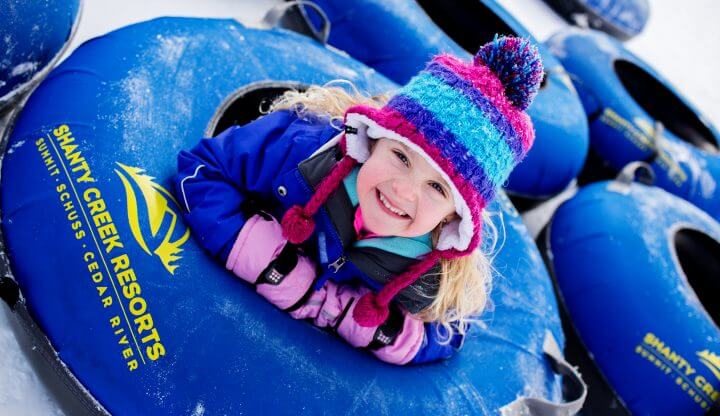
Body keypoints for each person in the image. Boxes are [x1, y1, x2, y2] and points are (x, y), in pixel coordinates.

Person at [172, 35, 543, 365]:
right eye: (401, 156)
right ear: (373, 140)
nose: (403, 190)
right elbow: (201, 170)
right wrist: (264, 255)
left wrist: (363, 322)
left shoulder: (435, 272)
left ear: (453, 218)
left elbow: (451, 330)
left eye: (438, 188)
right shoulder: (300, 152)